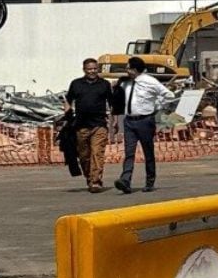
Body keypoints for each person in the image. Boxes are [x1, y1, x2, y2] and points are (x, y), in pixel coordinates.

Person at [115, 56, 173, 194]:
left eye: (128, 68)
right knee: (129, 152)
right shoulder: (126, 82)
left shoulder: (149, 81)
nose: (126, 70)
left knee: (148, 152)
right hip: (129, 120)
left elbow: (168, 95)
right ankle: (125, 180)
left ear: (134, 69)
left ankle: (149, 180)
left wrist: (157, 105)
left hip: (145, 120)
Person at [64, 58, 118, 193]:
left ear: (98, 69)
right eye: (89, 69)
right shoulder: (76, 84)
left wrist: (115, 120)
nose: (92, 71)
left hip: (99, 125)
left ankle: (96, 181)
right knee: (84, 155)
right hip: (81, 126)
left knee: (97, 153)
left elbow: (112, 104)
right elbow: (68, 101)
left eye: (94, 69)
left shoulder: (104, 84)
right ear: (84, 70)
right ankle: (89, 177)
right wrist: (67, 115)